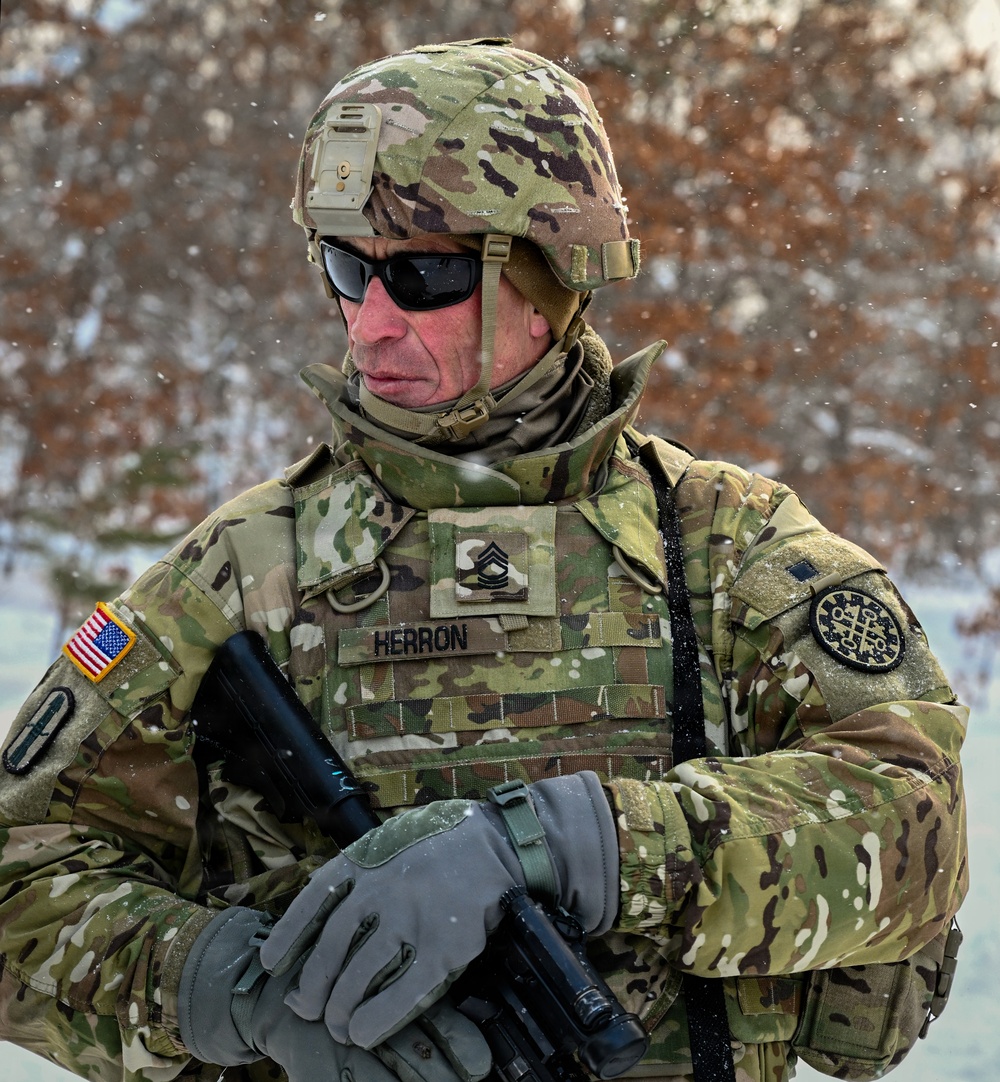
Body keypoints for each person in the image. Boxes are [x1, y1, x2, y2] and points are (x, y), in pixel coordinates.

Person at [0, 38, 967, 1082]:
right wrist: (234, 988)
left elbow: (916, 822)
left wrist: (581, 843)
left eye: (424, 274)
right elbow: (21, 870)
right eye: (344, 266)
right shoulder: (242, 572)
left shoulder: (724, 552)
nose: (369, 324)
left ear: (556, 273)